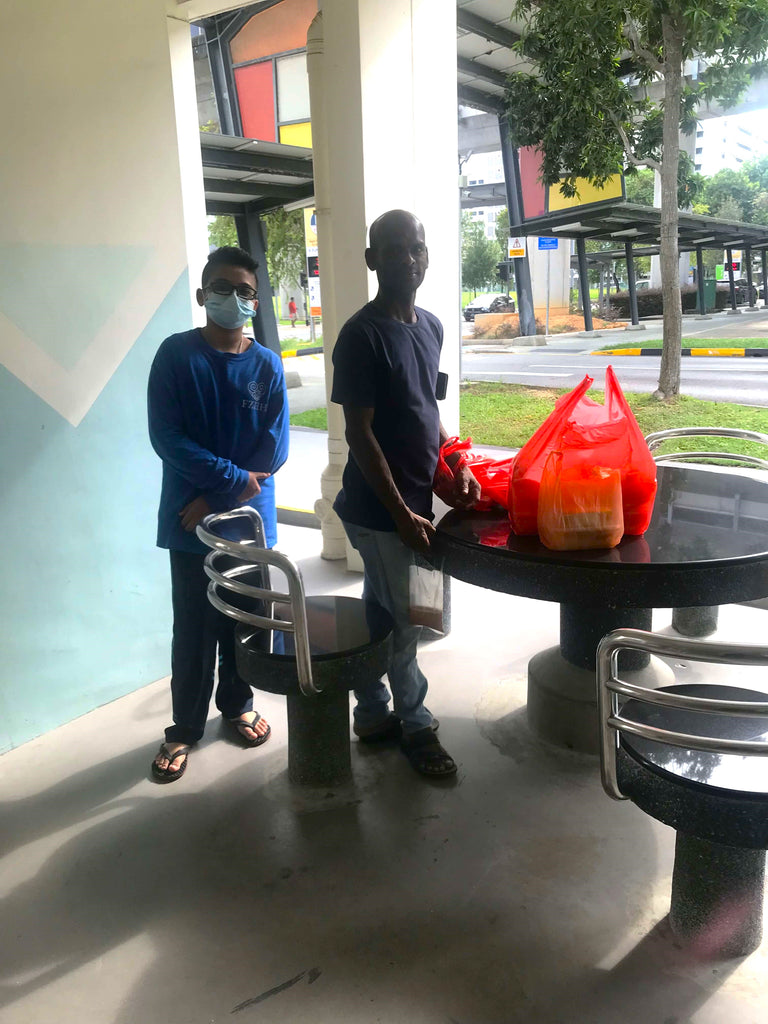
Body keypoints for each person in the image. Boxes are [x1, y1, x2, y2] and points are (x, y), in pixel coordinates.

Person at [331, 210, 480, 778]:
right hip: (378, 509)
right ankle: (416, 726)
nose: (406, 258)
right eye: (392, 249)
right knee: (406, 622)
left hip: (413, 504)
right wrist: (402, 513)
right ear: (372, 260)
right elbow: (359, 433)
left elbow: (427, 409)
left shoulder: (432, 326)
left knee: (382, 610)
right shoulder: (360, 335)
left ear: (427, 255)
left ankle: (371, 714)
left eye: (415, 247)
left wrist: (454, 461)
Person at [147, 246, 289, 782]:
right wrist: (226, 487)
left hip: (247, 523)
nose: (236, 299)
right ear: (204, 295)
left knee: (242, 623)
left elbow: (272, 452)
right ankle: (184, 727)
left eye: (246, 291)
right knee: (194, 628)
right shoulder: (176, 356)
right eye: (225, 288)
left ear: (255, 300)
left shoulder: (267, 365)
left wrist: (220, 497)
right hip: (191, 525)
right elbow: (168, 438)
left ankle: (237, 704)